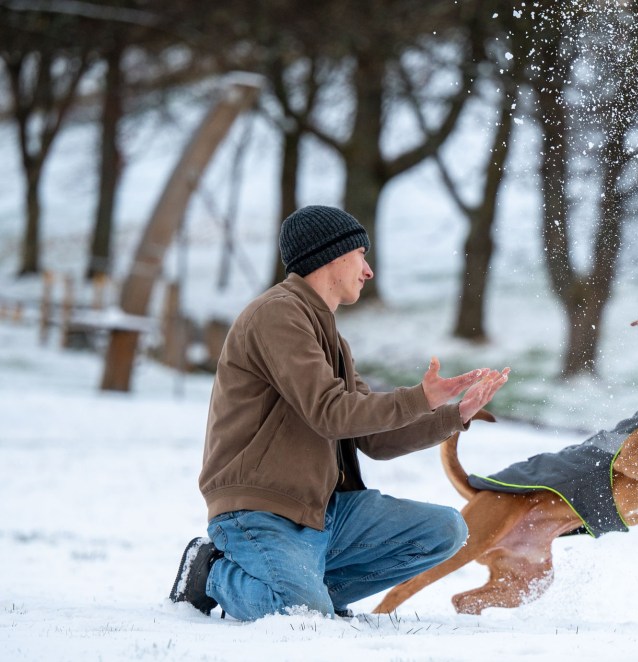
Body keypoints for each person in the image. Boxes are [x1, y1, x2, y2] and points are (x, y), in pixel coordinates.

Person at [169, 205, 509, 621]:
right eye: (362, 256)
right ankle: (212, 574)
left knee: (445, 531)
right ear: (333, 256)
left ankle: (310, 594)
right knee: (296, 613)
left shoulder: (329, 336)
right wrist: (419, 397)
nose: (368, 271)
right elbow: (330, 412)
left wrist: (453, 414)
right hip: (262, 511)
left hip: (325, 512)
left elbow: (374, 440)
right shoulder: (276, 315)